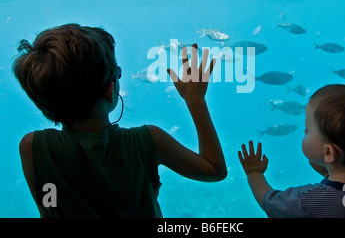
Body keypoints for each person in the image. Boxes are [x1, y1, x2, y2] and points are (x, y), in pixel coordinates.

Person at [13, 23, 226, 218]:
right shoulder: (147, 141)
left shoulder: (33, 148)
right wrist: (195, 99)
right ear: (110, 90)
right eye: (118, 73)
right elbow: (214, 169)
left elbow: (49, 209)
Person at [238, 84, 345, 217]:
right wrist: (327, 172)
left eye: (308, 129)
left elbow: (270, 202)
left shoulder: (308, 200)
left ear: (329, 153)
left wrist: (254, 173)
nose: (304, 133)